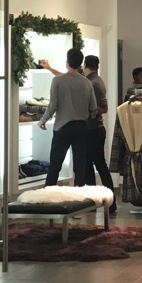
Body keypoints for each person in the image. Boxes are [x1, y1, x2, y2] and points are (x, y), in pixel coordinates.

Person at [39, 47, 99, 187]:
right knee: (80, 166)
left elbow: (53, 105)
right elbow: (93, 107)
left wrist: (43, 120)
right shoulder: (86, 83)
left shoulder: (58, 81)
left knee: (55, 165)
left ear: (67, 61)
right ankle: (79, 195)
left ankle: (47, 194)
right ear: (80, 64)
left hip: (63, 127)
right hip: (82, 127)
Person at [82, 55, 116, 211]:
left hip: (93, 130)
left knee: (98, 165)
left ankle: (108, 202)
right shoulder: (95, 80)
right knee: (93, 165)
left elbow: (103, 108)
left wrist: (88, 112)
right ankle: (97, 203)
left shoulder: (93, 83)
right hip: (94, 129)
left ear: (85, 66)